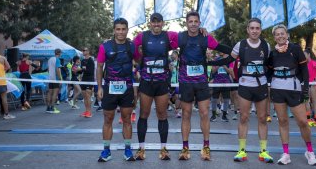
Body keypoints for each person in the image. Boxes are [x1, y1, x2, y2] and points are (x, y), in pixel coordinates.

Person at [208, 18, 273, 163]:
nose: (255, 31)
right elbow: (227, 60)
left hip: (261, 85)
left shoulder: (265, 45)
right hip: (245, 85)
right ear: (248, 30)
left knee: (262, 118)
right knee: (244, 117)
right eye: (252, 28)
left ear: (260, 30)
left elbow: (270, 64)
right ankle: (241, 150)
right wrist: (210, 63)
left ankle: (264, 151)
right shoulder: (241, 45)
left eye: (257, 28)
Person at [177, 11, 231, 161]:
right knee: (186, 114)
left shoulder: (206, 37)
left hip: (201, 81)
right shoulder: (180, 37)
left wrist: (237, 51)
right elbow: (162, 43)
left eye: (196, 21)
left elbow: (221, 47)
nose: (193, 24)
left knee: (204, 113)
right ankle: (185, 148)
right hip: (185, 81)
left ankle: (206, 147)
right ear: (186, 23)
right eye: (190, 21)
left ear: (200, 23)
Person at [267, 24, 316, 166]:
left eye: (282, 33)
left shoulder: (295, 49)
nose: (280, 36)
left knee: (302, 121)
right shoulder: (272, 54)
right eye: (277, 34)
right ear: (274, 37)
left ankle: (310, 151)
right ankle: (286, 154)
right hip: (277, 89)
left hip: (294, 89)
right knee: (282, 121)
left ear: (287, 35)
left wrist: (305, 89)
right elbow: (269, 72)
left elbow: (304, 70)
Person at [132, 13, 179, 161]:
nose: (156, 25)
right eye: (154, 22)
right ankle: (141, 149)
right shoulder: (142, 36)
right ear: (150, 23)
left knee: (162, 114)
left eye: (159, 23)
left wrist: (200, 30)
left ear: (163, 23)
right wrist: (138, 61)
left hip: (162, 82)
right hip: (146, 81)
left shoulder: (168, 35)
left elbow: (186, 37)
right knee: (143, 114)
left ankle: (163, 149)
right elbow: (131, 48)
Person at [97, 18, 137, 162]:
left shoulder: (132, 46)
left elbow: (139, 61)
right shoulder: (105, 46)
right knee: (108, 119)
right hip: (109, 87)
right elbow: (99, 67)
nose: (120, 32)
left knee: (127, 119)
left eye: (123, 29)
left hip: (127, 88)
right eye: (118, 29)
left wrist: (136, 86)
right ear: (114, 30)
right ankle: (106, 151)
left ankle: (128, 150)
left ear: (127, 30)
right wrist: (100, 87)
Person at [209, 53, 233, 123]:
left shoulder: (230, 61)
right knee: (214, 99)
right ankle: (213, 115)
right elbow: (213, 71)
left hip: (226, 83)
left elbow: (230, 71)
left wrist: (224, 66)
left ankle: (224, 116)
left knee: (226, 99)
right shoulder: (216, 60)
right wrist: (219, 65)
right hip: (217, 82)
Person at [304, 48, 316, 127]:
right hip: (308, 84)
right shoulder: (305, 64)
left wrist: (315, 79)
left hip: (314, 85)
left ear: (308, 55)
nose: (303, 56)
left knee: (315, 102)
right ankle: (308, 119)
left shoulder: (313, 62)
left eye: (304, 55)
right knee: (306, 101)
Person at [46, 48, 63, 114]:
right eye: (61, 53)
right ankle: (52, 108)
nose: (61, 54)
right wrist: (60, 79)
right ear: (59, 53)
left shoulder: (50, 59)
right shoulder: (57, 59)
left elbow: (48, 69)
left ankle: (48, 107)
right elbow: (57, 69)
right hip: (55, 79)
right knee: (55, 93)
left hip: (50, 78)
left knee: (50, 93)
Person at [80, 47, 95, 118]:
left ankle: (89, 112)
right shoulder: (82, 60)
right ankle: (86, 111)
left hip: (90, 79)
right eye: (82, 50)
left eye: (84, 50)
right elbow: (82, 70)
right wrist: (77, 70)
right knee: (84, 96)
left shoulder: (91, 60)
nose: (83, 52)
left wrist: (83, 69)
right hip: (83, 79)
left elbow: (90, 71)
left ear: (88, 52)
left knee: (88, 95)